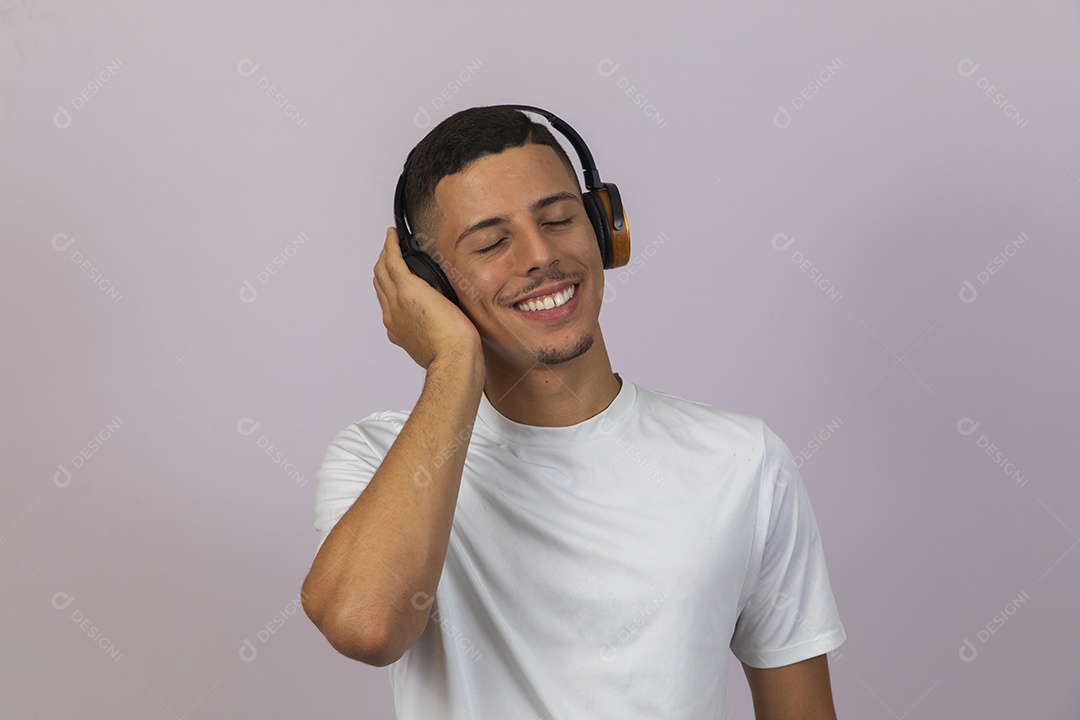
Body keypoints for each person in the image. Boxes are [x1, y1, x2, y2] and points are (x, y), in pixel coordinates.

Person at [301, 105, 847, 719]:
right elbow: (365, 626)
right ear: (432, 285)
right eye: (491, 242)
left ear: (604, 228)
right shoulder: (378, 458)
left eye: (559, 219)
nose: (539, 255)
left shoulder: (743, 460)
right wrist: (452, 360)